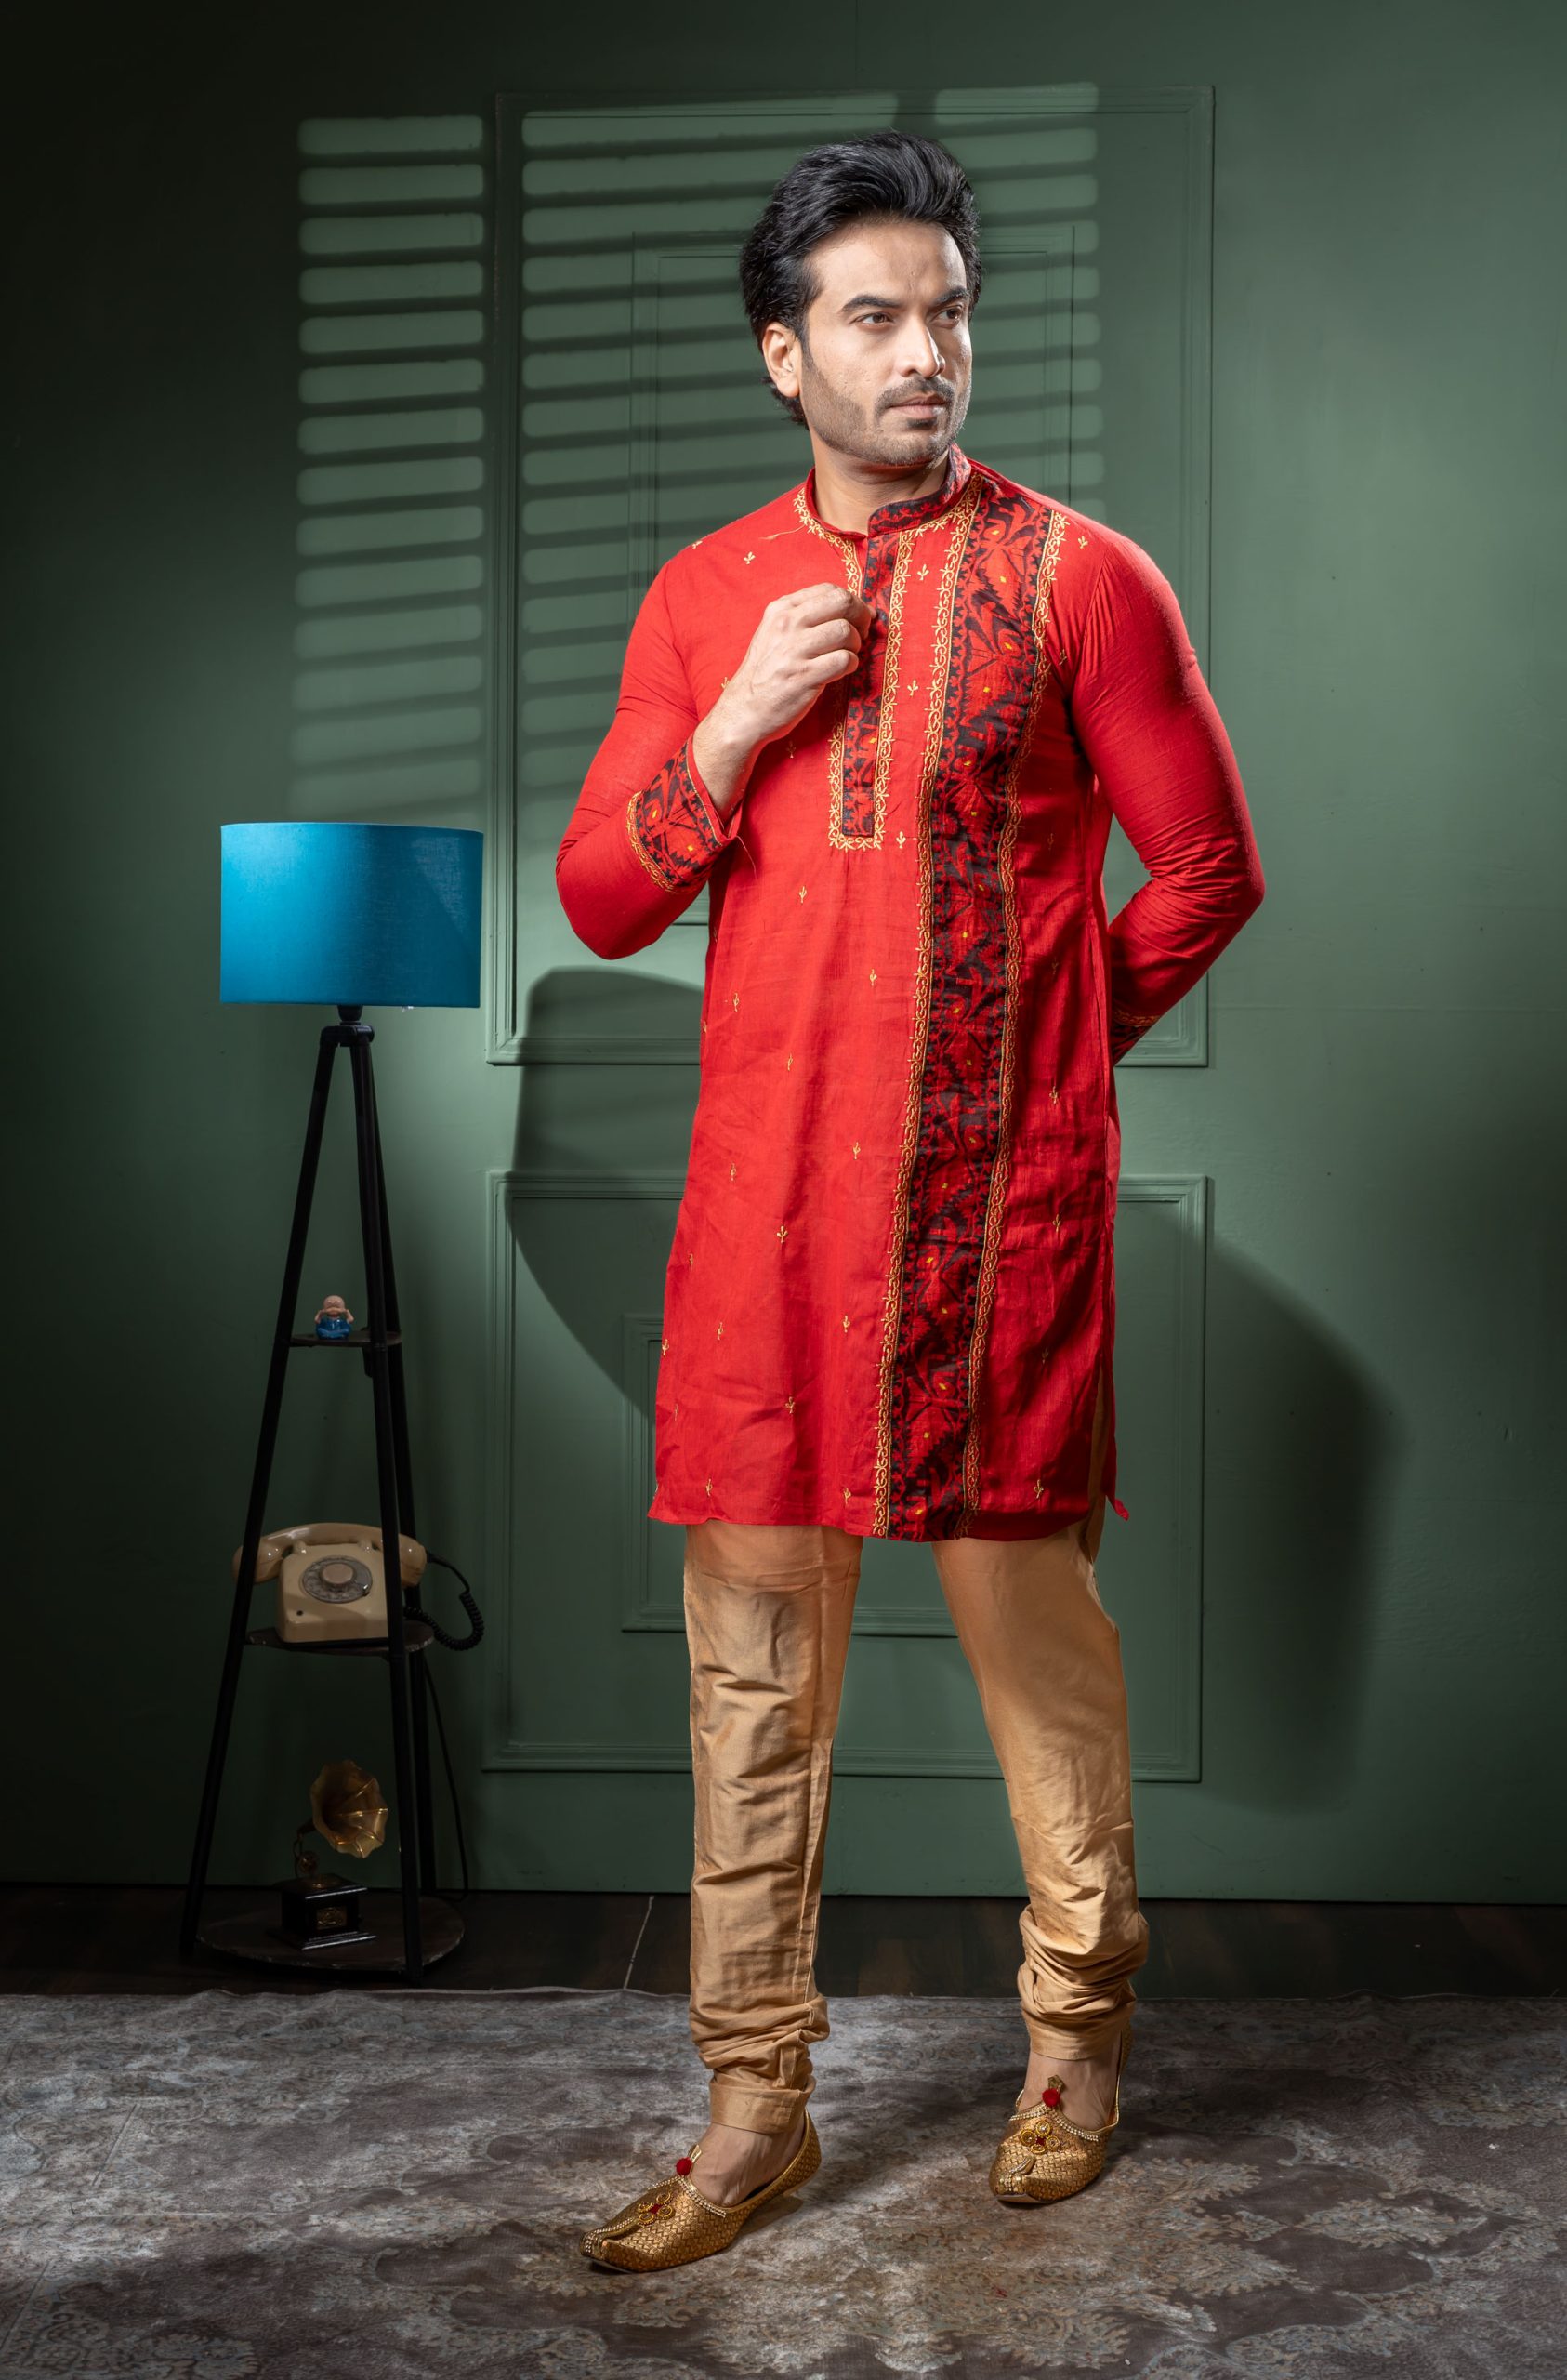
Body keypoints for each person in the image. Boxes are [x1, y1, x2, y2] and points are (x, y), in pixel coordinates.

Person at [557, 130, 1265, 2271]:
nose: (925, 351)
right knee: (753, 1681)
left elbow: (1208, 866)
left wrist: (1043, 1063)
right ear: (787, 356)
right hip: (763, 1221)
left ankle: (1075, 2040)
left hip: (989, 1224)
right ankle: (753, 2101)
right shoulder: (704, 599)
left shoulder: (1084, 579)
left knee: (1036, 1651)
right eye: (873, 317)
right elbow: (601, 897)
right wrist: (737, 727)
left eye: (948, 310)